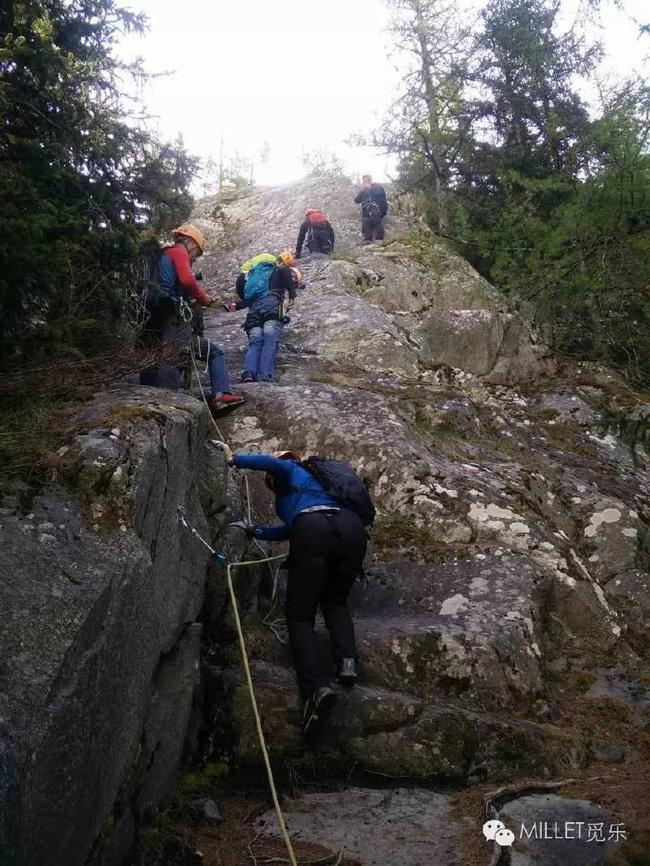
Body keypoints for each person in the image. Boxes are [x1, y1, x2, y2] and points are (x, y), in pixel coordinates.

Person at [226, 448, 367, 735]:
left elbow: (270, 464)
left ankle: (317, 688)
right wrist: (255, 530)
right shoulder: (321, 485)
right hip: (352, 530)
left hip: (313, 530)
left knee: (300, 617)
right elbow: (289, 530)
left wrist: (234, 459)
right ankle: (347, 663)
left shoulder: (291, 469)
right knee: (335, 602)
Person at [140, 224, 245, 413]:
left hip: (154, 312)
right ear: (191, 243)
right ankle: (210, 396)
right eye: (197, 253)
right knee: (197, 353)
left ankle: (147, 396)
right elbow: (187, 280)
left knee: (153, 355)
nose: (195, 258)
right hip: (174, 314)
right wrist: (203, 298)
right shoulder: (179, 251)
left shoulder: (162, 256)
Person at [232, 251, 301, 382]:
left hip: (253, 312)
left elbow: (243, 293)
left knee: (255, 341)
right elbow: (284, 269)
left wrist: (237, 304)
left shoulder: (259, 280)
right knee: (270, 339)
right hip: (272, 309)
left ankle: (248, 373)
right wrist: (292, 295)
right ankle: (264, 375)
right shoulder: (280, 270)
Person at [354, 174, 388, 242]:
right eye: (363, 182)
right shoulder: (363, 193)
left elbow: (383, 204)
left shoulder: (378, 190)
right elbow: (356, 200)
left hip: (376, 217)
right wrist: (362, 194)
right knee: (367, 238)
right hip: (366, 217)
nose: (364, 184)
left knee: (379, 238)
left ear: (370, 182)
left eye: (365, 182)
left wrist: (381, 214)